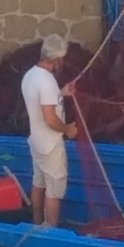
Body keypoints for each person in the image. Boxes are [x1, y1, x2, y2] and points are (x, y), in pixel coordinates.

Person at [21, 34, 77, 227]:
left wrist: (62, 93)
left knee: (39, 182)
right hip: (50, 144)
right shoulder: (47, 82)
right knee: (54, 190)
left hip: (36, 140)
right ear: (57, 59)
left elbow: (41, 102)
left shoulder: (30, 75)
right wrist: (68, 129)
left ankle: (36, 223)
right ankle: (50, 230)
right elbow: (51, 119)